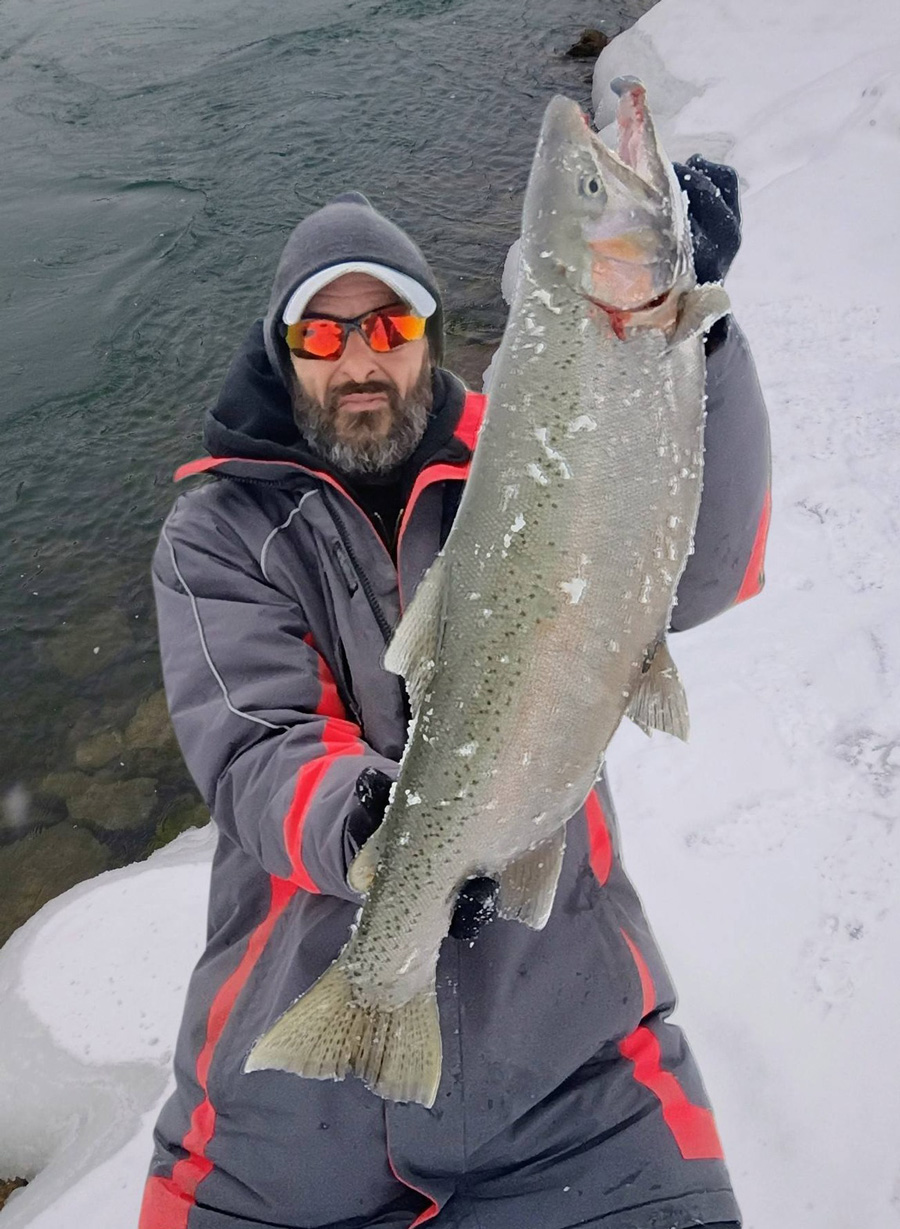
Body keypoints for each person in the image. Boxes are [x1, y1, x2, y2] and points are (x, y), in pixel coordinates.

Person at [139, 159, 770, 1229]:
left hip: (572, 1062)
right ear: (284, 352)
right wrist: (378, 828)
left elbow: (707, 572)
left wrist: (695, 351)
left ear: (432, 336)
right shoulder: (219, 531)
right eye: (323, 335)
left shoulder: (527, 447)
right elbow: (254, 743)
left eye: (388, 327)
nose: (359, 362)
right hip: (288, 1124)